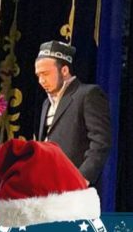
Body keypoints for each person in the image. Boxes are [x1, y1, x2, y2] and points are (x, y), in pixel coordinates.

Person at [34, 41, 112, 186]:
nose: (41, 81)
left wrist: (80, 179)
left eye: (45, 74)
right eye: (38, 75)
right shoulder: (46, 103)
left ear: (64, 70)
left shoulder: (88, 94)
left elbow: (100, 142)